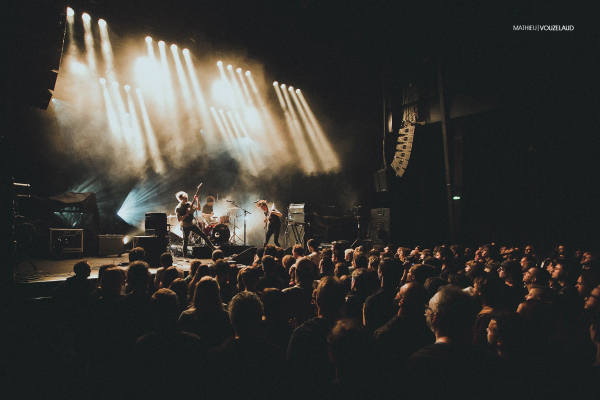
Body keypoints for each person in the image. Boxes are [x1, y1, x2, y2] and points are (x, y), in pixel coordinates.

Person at [175, 190, 215, 261]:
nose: (187, 199)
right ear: (181, 199)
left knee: (203, 234)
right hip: (185, 225)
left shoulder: (189, 203)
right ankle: (185, 257)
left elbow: (198, 208)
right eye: (185, 198)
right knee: (185, 240)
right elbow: (179, 219)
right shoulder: (179, 208)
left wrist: (197, 200)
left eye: (186, 197)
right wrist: (185, 214)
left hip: (192, 224)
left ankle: (213, 247)